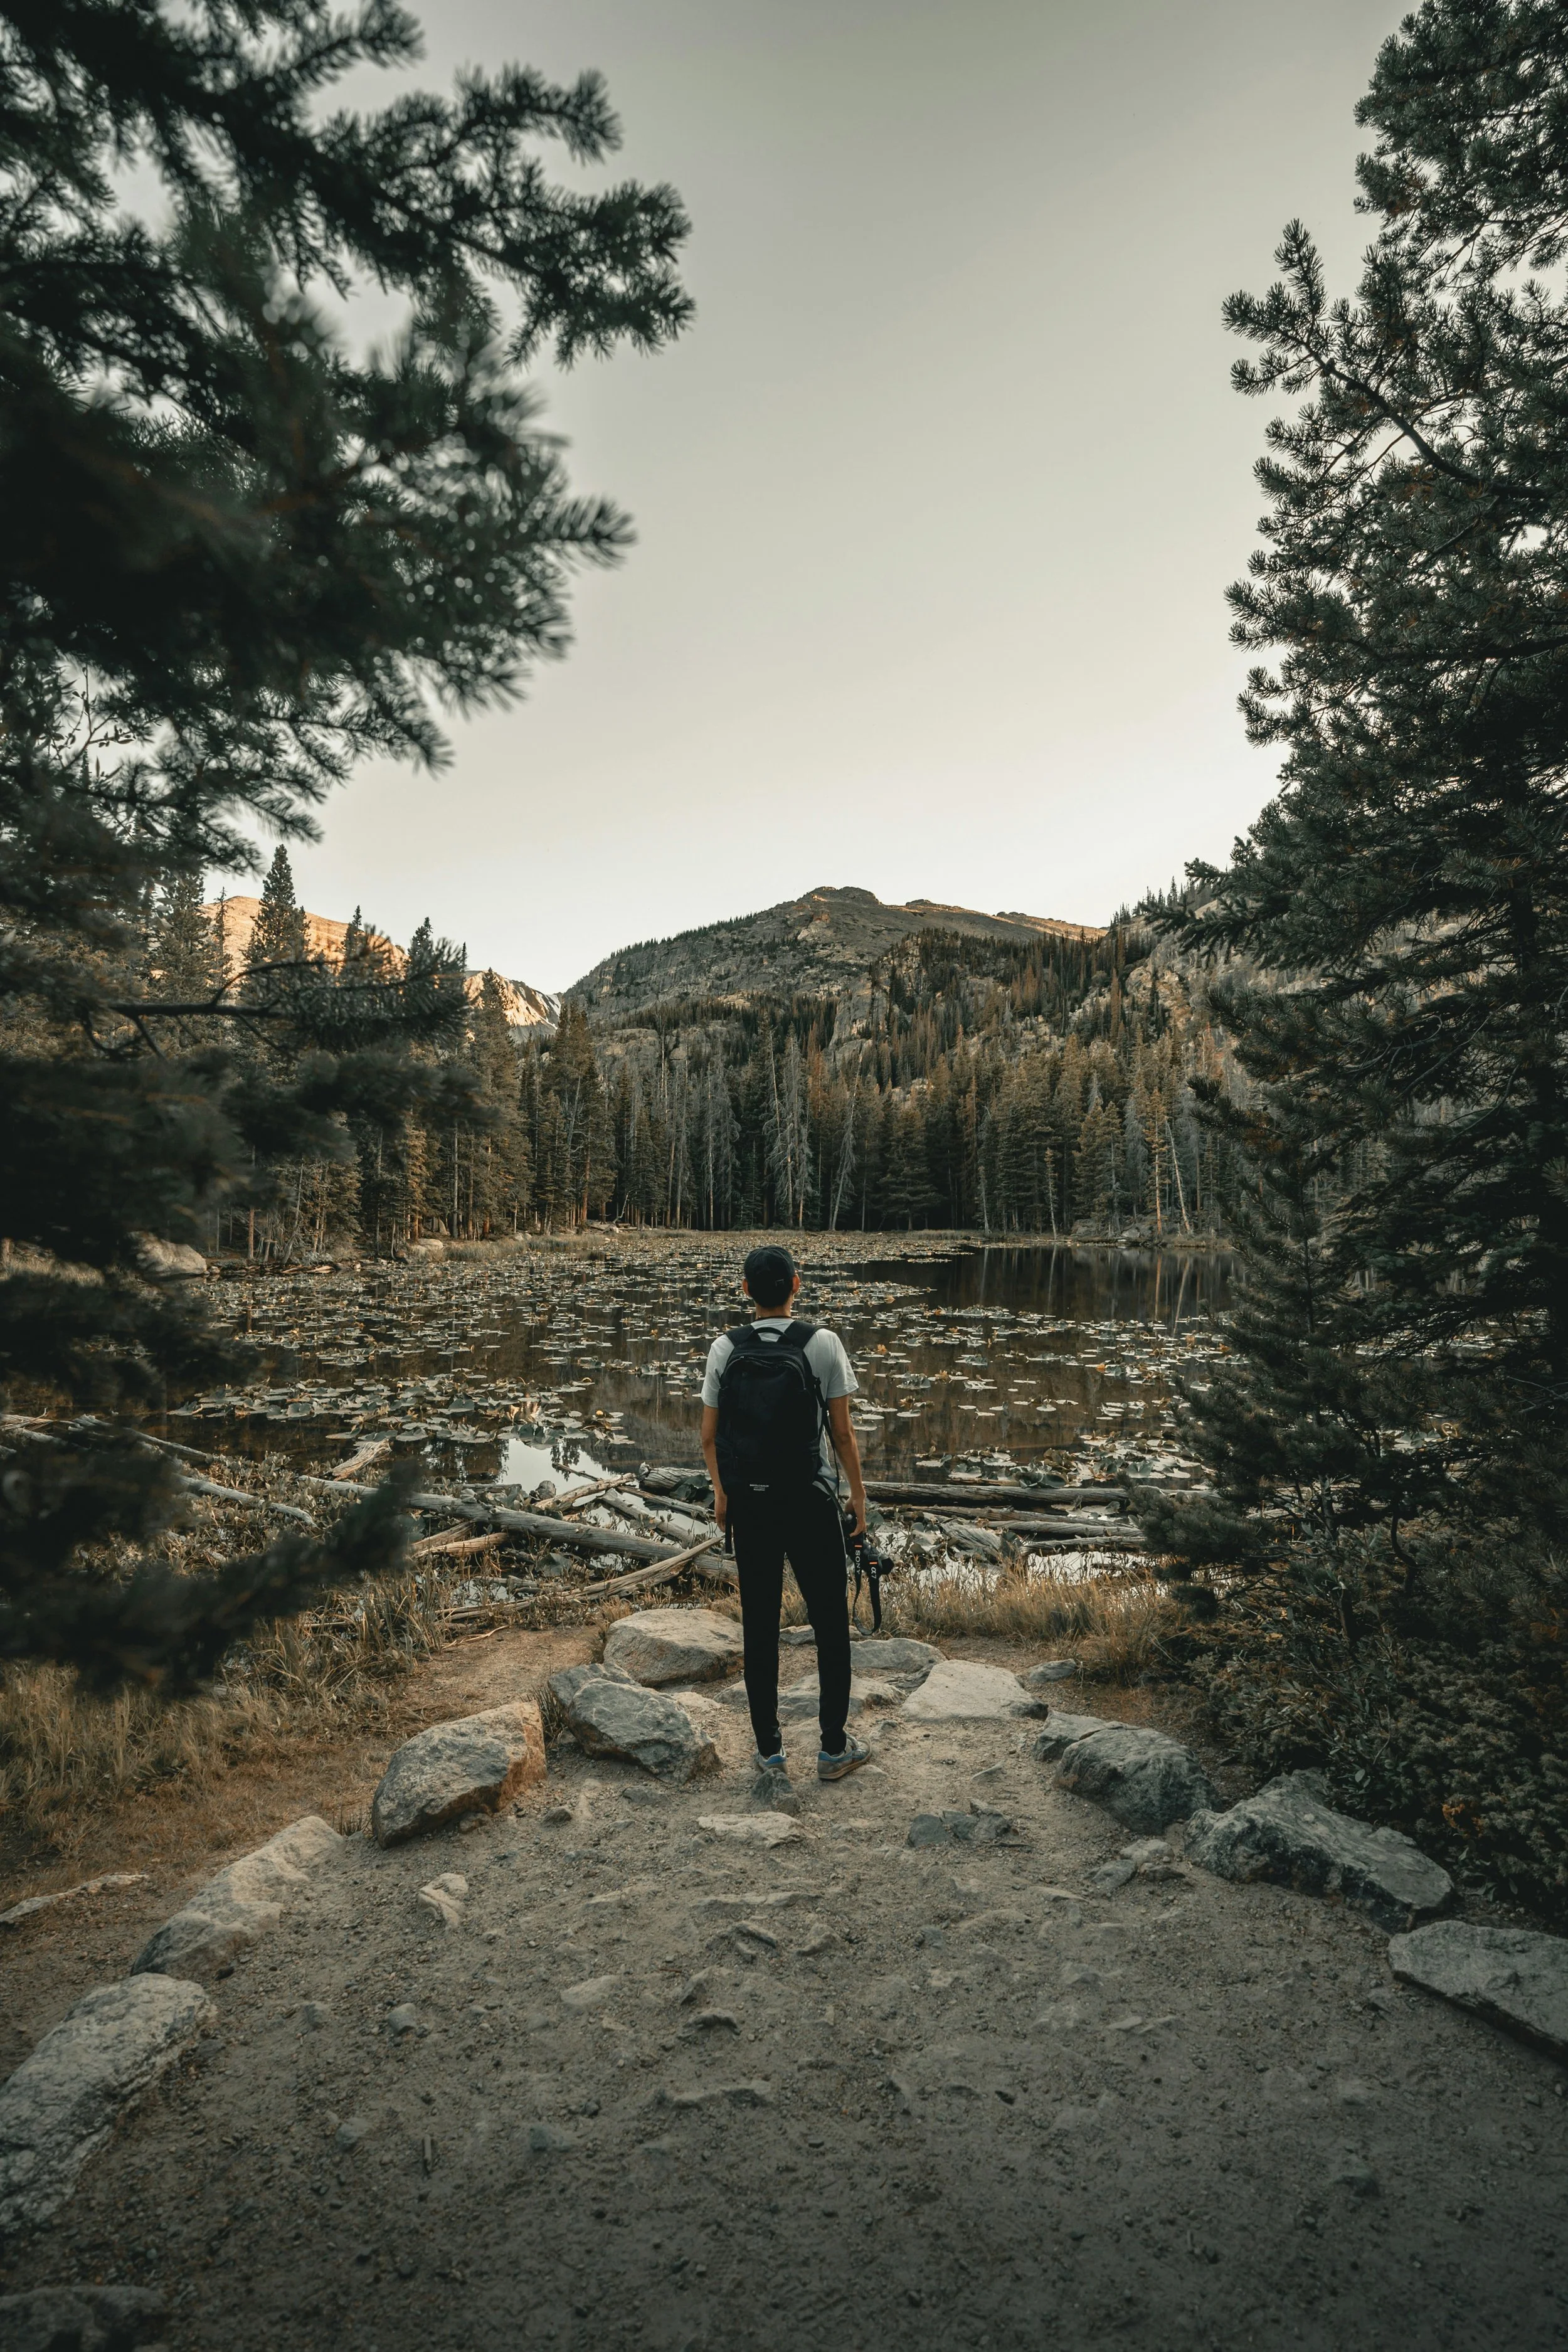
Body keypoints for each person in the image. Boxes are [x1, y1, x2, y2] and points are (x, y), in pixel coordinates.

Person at [699, 1242, 871, 1812]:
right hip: (810, 1503)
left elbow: (708, 1436)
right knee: (828, 1625)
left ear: (746, 1289)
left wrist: (723, 1495)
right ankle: (831, 1749)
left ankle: (770, 1751)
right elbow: (842, 1436)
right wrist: (858, 1498)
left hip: (751, 1503)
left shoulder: (725, 1347)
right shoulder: (822, 1344)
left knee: (761, 1625)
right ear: (797, 1284)